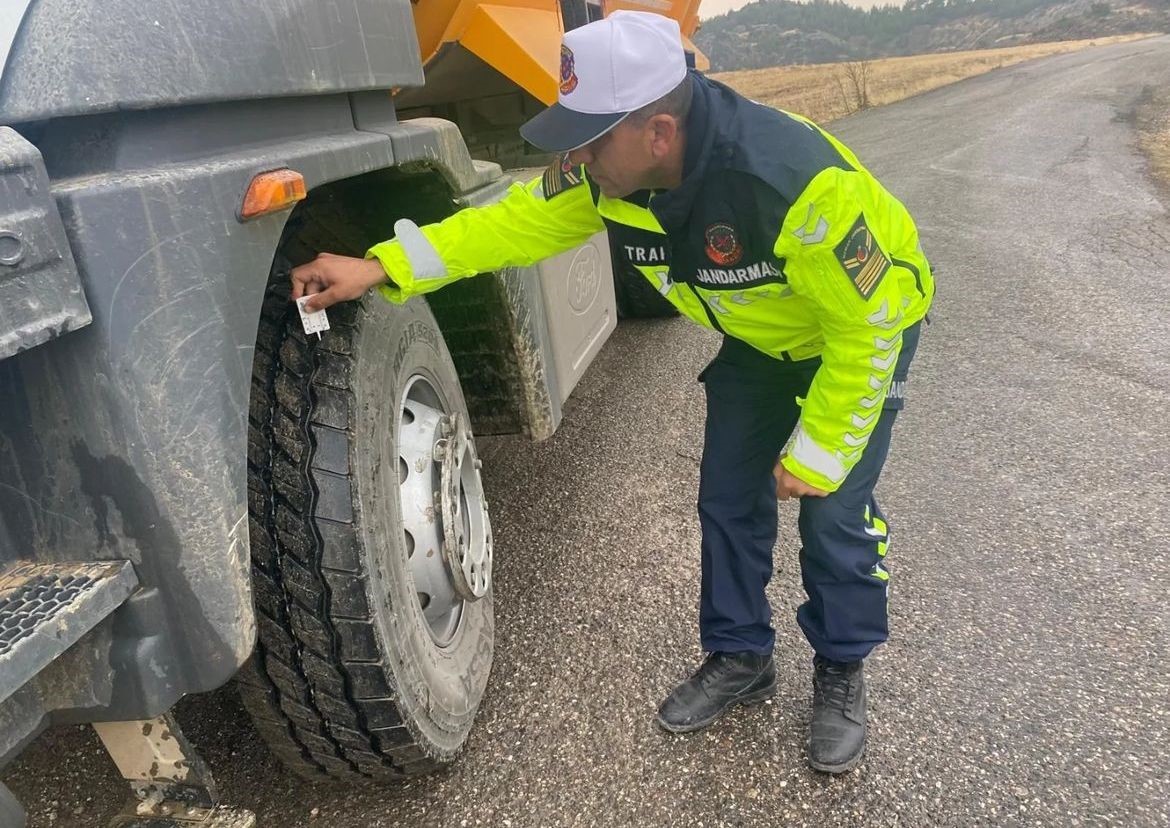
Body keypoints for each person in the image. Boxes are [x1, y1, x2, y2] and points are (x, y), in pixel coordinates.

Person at [290, 10, 934, 774]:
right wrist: (380, 265)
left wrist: (822, 449)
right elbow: (511, 225)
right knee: (727, 500)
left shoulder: (796, 185)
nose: (577, 156)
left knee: (835, 517)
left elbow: (869, 329)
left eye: (590, 138)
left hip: (859, 335)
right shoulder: (608, 171)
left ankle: (841, 669)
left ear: (658, 132)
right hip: (763, 341)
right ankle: (741, 656)